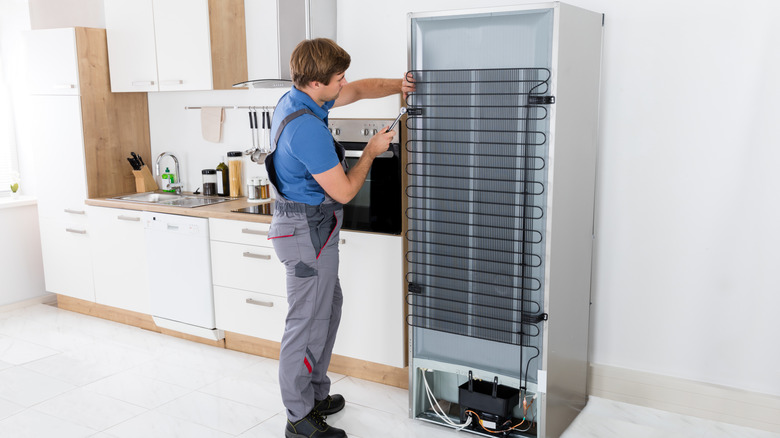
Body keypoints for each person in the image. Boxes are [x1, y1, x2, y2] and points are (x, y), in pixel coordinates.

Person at [265, 38, 415, 438]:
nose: (343, 82)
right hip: (304, 232)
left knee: (327, 308)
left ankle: (313, 395)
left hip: (314, 227)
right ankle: (298, 416)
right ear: (316, 83)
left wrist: (402, 84)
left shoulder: (302, 98)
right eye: (338, 78)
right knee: (306, 319)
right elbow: (346, 192)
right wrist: (370, 151)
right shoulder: (305, 130)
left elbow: (361, 88)